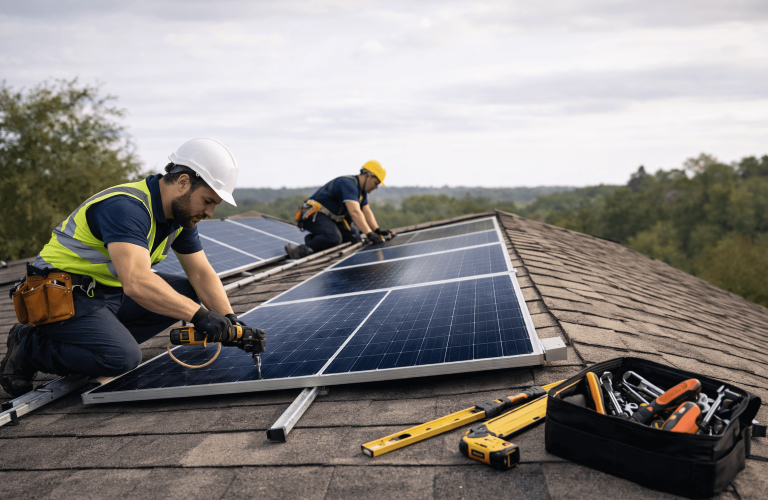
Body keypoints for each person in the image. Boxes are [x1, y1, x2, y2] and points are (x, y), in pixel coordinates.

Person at [1, 138, 256, 397]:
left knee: (187, 292)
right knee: (121, 358)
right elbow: (136, 282)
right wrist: (200, 316)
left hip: (106, 294)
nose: (210, 212)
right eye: (208, 201)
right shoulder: (126, 207)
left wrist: (231, 322)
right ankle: (27, 346)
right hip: (62, 295)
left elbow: (201, 273)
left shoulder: (179, 217)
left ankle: (100, 343)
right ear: (183, 182)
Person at [285, 160, 396, 259]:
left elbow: (366, 211)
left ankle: (315, 238)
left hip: (330, 219)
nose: (376, 187)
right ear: (368, 176)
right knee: (333, 238)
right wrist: (369, 234)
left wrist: (377, 230)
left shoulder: (361, 191)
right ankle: (298, 251)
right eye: (376, 183)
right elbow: (355, 212)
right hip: (313, 215)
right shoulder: (348, 184)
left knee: (354, 238)